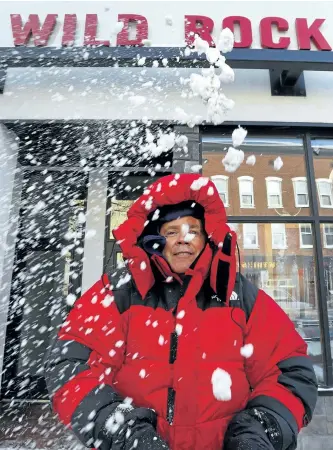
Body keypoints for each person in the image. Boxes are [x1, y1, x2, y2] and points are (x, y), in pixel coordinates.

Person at [44, 173, 318, 450]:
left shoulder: (240, 297)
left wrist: (260, 429)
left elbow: (291, 372)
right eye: (171, 232)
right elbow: (71, 368)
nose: (182, 240)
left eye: (193, 230)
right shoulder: (118, 293)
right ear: (154, 241)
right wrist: (125, 433)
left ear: (207, 238)